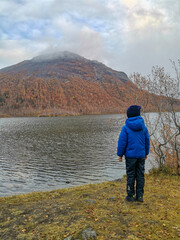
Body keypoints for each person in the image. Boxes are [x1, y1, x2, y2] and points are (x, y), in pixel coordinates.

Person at [117, 105, 150, 202]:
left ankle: (130, 196)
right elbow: (147, 141)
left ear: (129, 115)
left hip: (130, 156)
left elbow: (122, 142)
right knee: (140, 175)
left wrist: (120, 154)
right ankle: (140, 196)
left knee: (130, 175)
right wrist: (146, 153)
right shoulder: (143, 127)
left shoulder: (126, 127)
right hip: (140, 155)